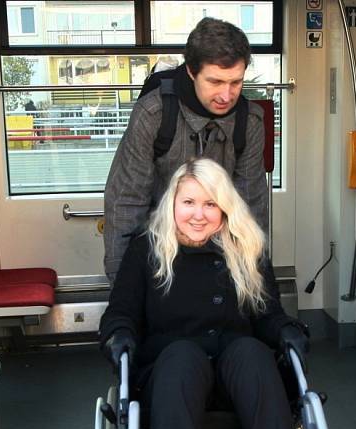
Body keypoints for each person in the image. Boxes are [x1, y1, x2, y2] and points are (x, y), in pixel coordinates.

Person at [99, 157, 323, 429]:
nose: (198, 215)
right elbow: (121, 311)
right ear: (172, 203)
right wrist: (118, 335)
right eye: (188, 202)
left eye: (210, 204)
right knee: (181, 356)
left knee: (253, 352)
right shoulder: (147, 248)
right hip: (171, 377)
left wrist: (286, 329)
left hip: (236, 378)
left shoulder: (246, 247)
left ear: (225, 208)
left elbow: (266, 314)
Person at [103, 17, 268, 282]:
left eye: (236, 82)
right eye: (215, 82)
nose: (227, 96)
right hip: (157, 250)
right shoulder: (153, 113)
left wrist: (256, 274)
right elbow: (126, 201)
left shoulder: (250, 121)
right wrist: (122, 285)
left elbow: (252, 205)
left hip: (219, 255)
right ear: (191, 71)